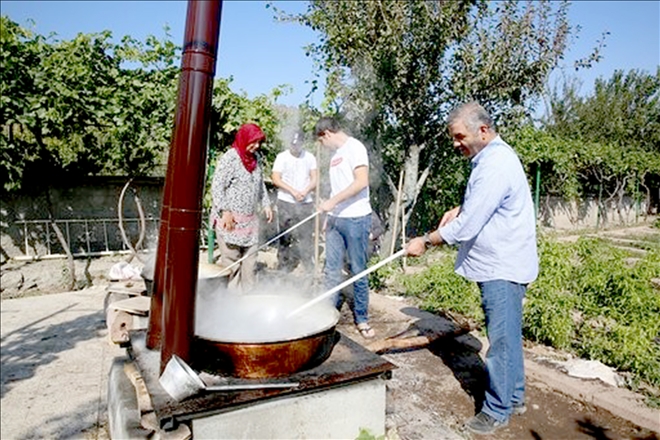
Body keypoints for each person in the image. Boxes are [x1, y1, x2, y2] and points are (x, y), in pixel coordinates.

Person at [406, 102, 539, 435]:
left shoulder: (495, 163)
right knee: (508, 336)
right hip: (502, 263)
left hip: (501, 267)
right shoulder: (494, 158)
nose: (455, 144)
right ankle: (514, 397)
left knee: (501, 341)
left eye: (459, 136)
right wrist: (461, 207)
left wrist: (425, 240)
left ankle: (496, 411)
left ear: (483, 130)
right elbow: (485, 203)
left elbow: (465, 228)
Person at [315, 116, 374, 339]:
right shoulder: (336, 156)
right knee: (331, 270)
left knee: (358, 269)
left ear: (326, 134)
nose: (323, 146)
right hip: (336, 219)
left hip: (356, 218)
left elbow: (361, 182)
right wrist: (328, 216)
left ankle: (362, 318)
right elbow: (336, 189)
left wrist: (333, 202)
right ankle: (326, 317)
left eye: (321, 142)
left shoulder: (355, 148)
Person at [211, 123, 273, 292]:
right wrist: (225, 211)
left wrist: (266, 204)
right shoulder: (230, 158)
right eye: (253, 142)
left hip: (250, 222)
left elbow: (260, 185)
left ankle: (249, 301)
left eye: (259, 142)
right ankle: (232, 305)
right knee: (232, 264)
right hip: (230, 220)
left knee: (250, 263)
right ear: (244, 139)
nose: (257, 146)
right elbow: (217, 187)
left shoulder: (256, 158)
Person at [271, 131, 318, 272]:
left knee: (306, 235)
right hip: (286, 201)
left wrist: (305, 191)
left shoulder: (310, 157)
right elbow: (276, 178)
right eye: (293, 144)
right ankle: (283, 265)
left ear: (302, 143)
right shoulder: (281, 157)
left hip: (305, 202)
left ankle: (308, 264)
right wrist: (292, 191)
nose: (295, 147)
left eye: (298, 144)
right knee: (285, 235)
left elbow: (315, 178)